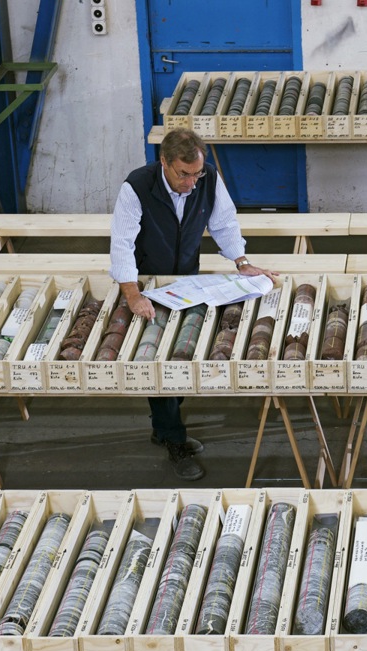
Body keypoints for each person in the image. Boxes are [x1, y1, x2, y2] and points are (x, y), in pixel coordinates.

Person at [110, 128, 277, 481]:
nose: (191, 182)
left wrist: (242, 263)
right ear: (164, 164)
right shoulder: (136, 187)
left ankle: (163, 427)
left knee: (183, 354)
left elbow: (224, 222)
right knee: (160, 360)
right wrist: (132, 294)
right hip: (151, 280)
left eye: (196, 173)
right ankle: (174, 441)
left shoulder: (208, 178)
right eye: (183, 174)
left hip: (186, 278)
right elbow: (122, 243)